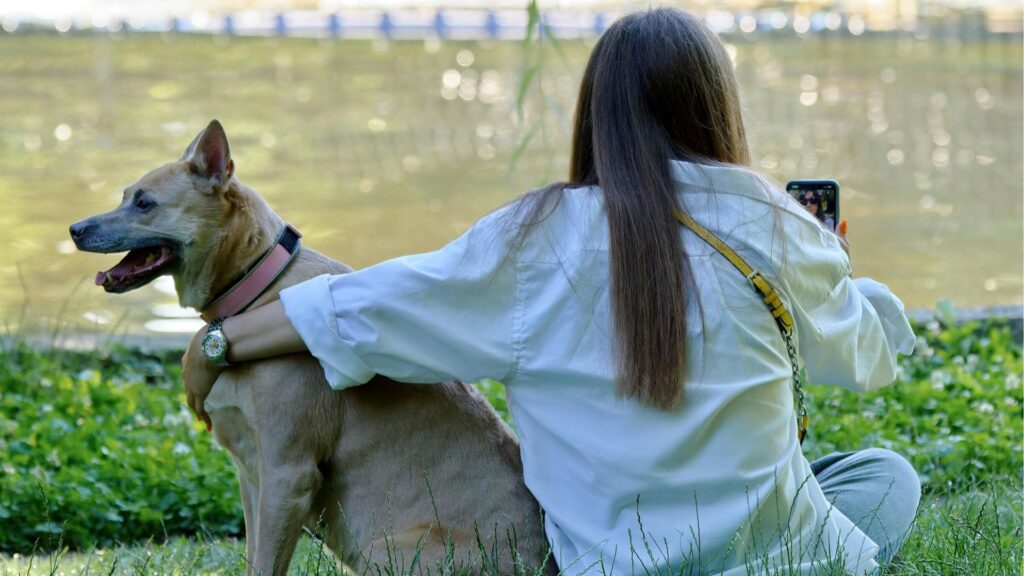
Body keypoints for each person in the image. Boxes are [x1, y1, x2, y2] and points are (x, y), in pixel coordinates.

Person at [183, 8, 919, 575]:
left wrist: (219, 342)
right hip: (771, 558)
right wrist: (837, 268)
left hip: (611, 562)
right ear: (718, 108)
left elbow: (371, 310)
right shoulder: (775, 224)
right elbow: (869, 358)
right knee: (886, 476)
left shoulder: (531, 241)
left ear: (594, 117)